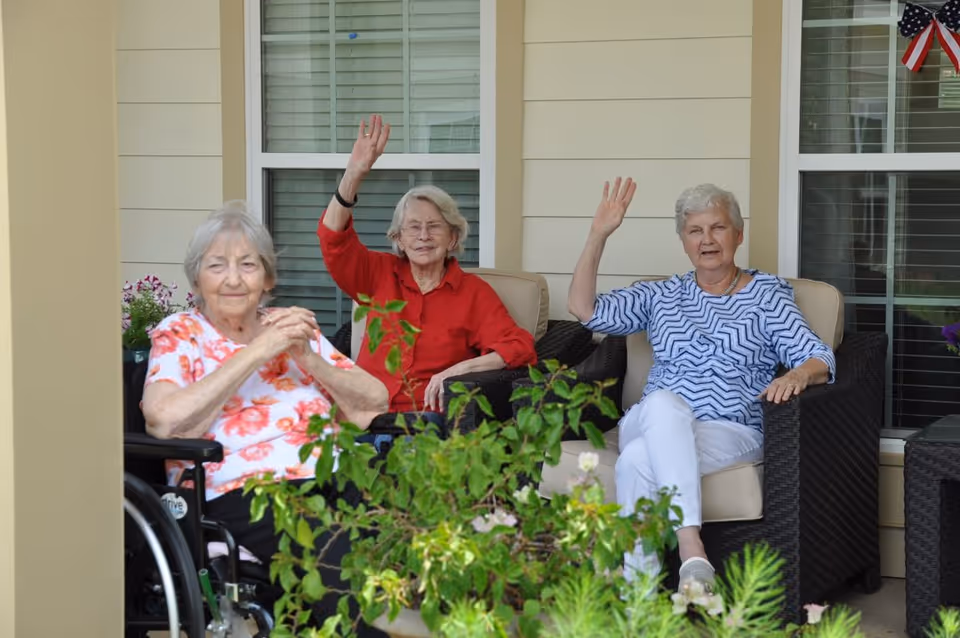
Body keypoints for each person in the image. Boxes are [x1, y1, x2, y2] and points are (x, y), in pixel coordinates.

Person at [568, 180, 836, 593]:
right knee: (661, 405)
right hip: (652, 417)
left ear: (738, 235)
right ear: (683, 241)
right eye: (695, 231)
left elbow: (819, 357)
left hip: (730, 429)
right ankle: (691, 548)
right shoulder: (661, 294)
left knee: (637, 460)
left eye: (718, 228)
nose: (707, 240)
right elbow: (584, 309)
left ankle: (636, 599)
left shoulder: (768, 296)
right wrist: (598, 234)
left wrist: (798, 374)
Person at [141, 202, 390, 634]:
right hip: (249, 493)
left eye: (248, 265)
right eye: (217, 266)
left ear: (267, 278)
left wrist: (308, 357)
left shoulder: (289, 327)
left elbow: (374, 402)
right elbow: (164, 422)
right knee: (346, 565)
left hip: (336, 476)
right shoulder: (182, 333)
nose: (234, 279)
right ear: (197, 279)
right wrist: (256, 351)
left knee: (414, 541)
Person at [317, 114, 537, 416]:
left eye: (434, 226)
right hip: (362, 416)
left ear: (453, 238)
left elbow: (519, 347)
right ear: (398, 238)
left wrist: (459, 369)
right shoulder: (376, 274)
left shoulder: (473, 293)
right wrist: (354, 173)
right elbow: (333, 239)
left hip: (427, 424)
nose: (423, 236)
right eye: (413, 227)